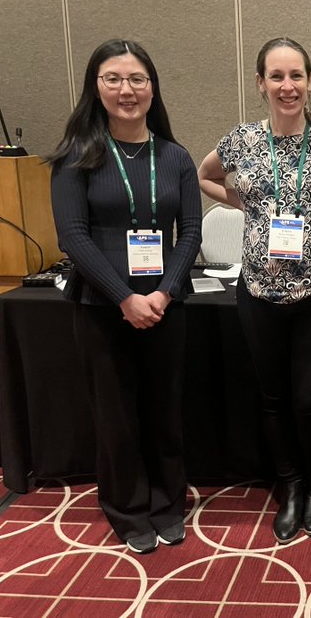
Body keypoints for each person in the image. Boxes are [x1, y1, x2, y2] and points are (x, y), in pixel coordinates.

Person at [198, 37, 311, 544]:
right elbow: (205, 174)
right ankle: (291, 485)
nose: (287, 85)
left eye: (296, 75)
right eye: (276, 76)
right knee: (273, 399)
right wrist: (244, 205)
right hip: (258, 294)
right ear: (260, 84)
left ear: (310, 81)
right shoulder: (242, 141)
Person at [49, 39, 202, 554]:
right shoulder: (77, 157)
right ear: (96, 87)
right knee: (116, 414)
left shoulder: (175, 156)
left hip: (165, 307)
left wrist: (162, 292)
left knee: (165, 410)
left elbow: (191, 234)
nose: (126, 89)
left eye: (137, 79)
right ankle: (127, 507)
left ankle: (167, 503)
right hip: (101, 309)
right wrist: (124, 298)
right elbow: (73, 236)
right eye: (113, 79)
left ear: (152, 88)